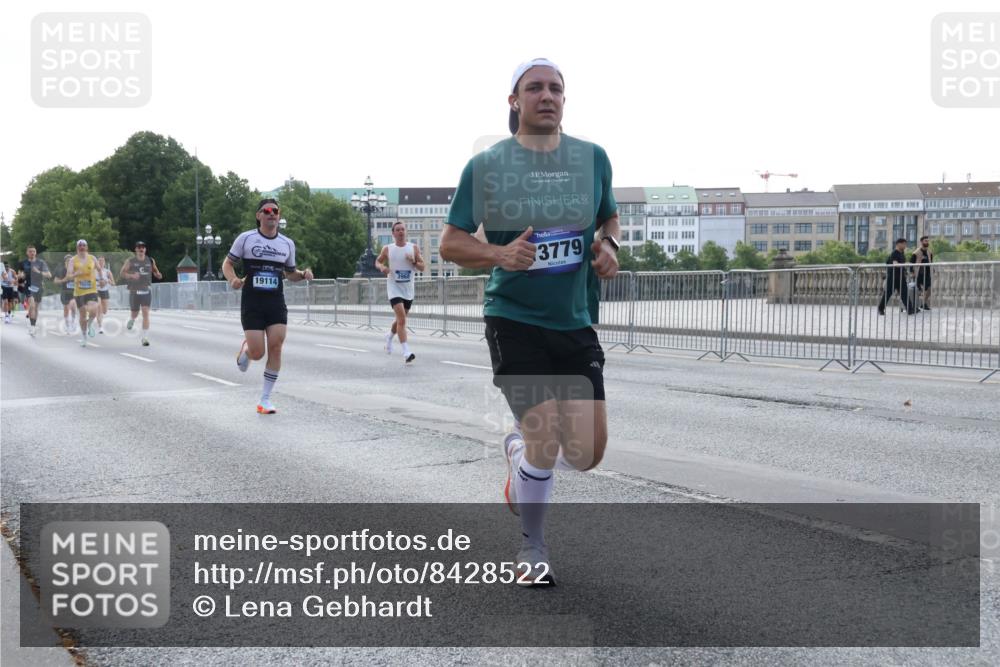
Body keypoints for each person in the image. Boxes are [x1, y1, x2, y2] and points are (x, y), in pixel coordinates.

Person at [440, 58, 620, 586]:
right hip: (513, 317)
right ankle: (532, 551)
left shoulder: (593, 159)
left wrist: (609, 243)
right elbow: (452, 242)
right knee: (545, 437)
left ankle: (518, 457)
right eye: (535, 88)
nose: (548, 96)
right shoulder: (489, 165)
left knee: (586, 455)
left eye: (556, 89)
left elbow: (609, 214)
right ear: (514, 101)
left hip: (575, 320)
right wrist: (499, 254)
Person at [223, 198, 313, 414]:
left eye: (275, 211)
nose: (272, 214)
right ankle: (246, 349)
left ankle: (265, 398)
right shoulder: (246, 239)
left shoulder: (287, 243)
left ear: (279, 216)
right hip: (252, 301)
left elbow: (290, 273)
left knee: (276, 345)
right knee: (257, 353)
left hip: (275, 301)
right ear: (259, 215)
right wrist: (233, 279)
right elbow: (227, 264)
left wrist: (302, 274)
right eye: (267, 211)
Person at [376, 221, 426, 363]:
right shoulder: (387, 249)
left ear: (406, 232)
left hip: (408, 289)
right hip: (393, 287)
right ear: (393, 233)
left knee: (400, 320)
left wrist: (414, 262)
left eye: (403, 229)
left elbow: (422, 267)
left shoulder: (413, 248)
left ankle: (390, 336)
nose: (401, 232)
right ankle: (406, 352)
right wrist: (382, 268)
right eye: (397, 230)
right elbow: (377, 261)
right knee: (402, 319)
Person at [120, 241, 162, 346]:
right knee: (135, 313)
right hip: (134, 290)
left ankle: (145, 337)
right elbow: (122, 273)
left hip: (146, 290)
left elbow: (156, 272)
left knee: (145, 313)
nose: (141, 249)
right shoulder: (130, 261)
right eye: (139, 247)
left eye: (143, 247)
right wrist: (131, 276)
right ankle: (132, 319)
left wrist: (158, 275)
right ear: (135, 250)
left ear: (145, 249)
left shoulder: (150, 260)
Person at [66, 239, 101, 346]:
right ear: (77, 248)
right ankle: (84, 337)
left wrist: (103, 279)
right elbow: (68, 276)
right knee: (82, 314)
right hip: (79, 292)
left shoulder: (92, 258)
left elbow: (99, 270)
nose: (82, 247)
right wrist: (75, 274)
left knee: (94, 310)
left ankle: (89, 325)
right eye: (80, 245)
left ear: (87, 247)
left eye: (84, 245)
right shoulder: (73, 260)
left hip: (92, 289)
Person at [878, 237, 917, 316]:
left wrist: (906, 271)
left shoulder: (902, 253)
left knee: (905, 294)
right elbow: (895, 264)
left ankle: (910, 310)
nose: (905, 246)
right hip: (892, 278)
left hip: (901, 277)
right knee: (887, 294)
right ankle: (880, 309)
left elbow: (901, 264)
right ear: (899, 244)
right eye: (904, 244)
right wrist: (905, 264)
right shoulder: (894, 253)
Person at [21, 245, 52, 336]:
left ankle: (32, 322)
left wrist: (39, 272)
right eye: (30, 251)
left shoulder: (41, 262)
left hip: (38, 287)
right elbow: (20, 276)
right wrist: (21, 277)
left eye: (33, 251)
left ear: (36, 252)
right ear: (27, 253)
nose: (32, 253)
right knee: (32, 305)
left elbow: (49, 275)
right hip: (29, 286)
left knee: (36, 307)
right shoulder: (23, 263)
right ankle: (33, 327)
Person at [52, 254, 78, 334]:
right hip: (65, 292)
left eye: (71, 261)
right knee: (66, 308)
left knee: (73, 308)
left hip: (74, 292)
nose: (69, 262)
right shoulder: (61, 270)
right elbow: (55, 281)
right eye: (68, 261)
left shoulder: (76, 270)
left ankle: (73, 323)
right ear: (65, 262)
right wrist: (63, 280)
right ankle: (67, 326)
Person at [910, 235, 933, 311]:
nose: (927, 242)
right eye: (925, 241)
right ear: (921, 242)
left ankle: (924, 303)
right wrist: (912, 272)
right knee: (917, 290)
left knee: (929, 289)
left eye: (928, 241)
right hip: (918, 274)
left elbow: (931, 262)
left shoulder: (929, 252)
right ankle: (914, 305)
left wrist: (933, 269)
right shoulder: (916, 252)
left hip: (927, 273)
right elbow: (911, 263)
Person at [96, 256, 116, 333]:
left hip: (105, 291)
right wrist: (97, 283)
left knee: (104, 311)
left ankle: (97, 318)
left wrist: (107, 281)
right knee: (99, 308)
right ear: (97, 262)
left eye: (102, 261)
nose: (101, 263)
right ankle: (100, 327)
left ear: (104, 263)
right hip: (96, 291)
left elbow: (113, 283)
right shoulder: (94, 271)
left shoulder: (107, 272)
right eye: (99, 261)